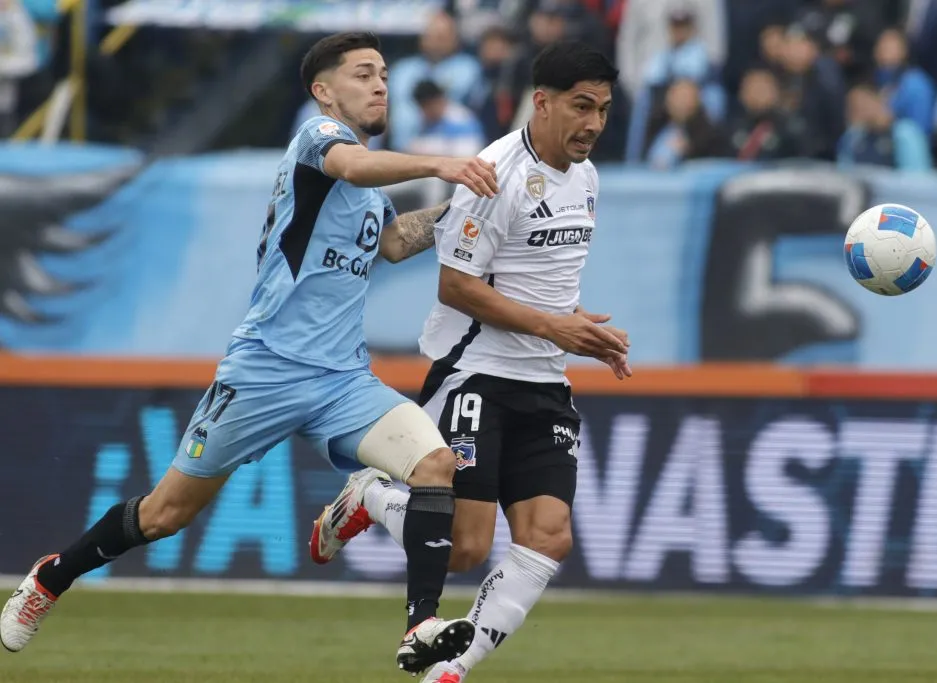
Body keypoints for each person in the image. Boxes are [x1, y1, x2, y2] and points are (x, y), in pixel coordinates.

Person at [0, 31, 502, 676]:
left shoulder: (371, 192)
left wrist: (465, 210)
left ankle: (420, 624)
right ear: (325, 92)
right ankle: (52, 577)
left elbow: (396, 244)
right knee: (164, 514)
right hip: (264, 370)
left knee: (435, 464)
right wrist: (442, 164)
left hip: (343, 380)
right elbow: (353, 166)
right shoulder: (317, 142)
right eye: (362, 74)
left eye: (383, 73)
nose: (380, 84)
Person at [309, 40, 630, 683]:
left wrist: (574, 329)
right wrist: (555, 328)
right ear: (542, 103)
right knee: (466, 549)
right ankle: (370, 497)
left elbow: (540, 278)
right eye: (581, 106)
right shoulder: (493, 172)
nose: (593, 123)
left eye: (603, 109)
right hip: (474, 373)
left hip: (545, 379)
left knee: (550, 534)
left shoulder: (586, 176)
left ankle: (450, 670)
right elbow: (456, 287)